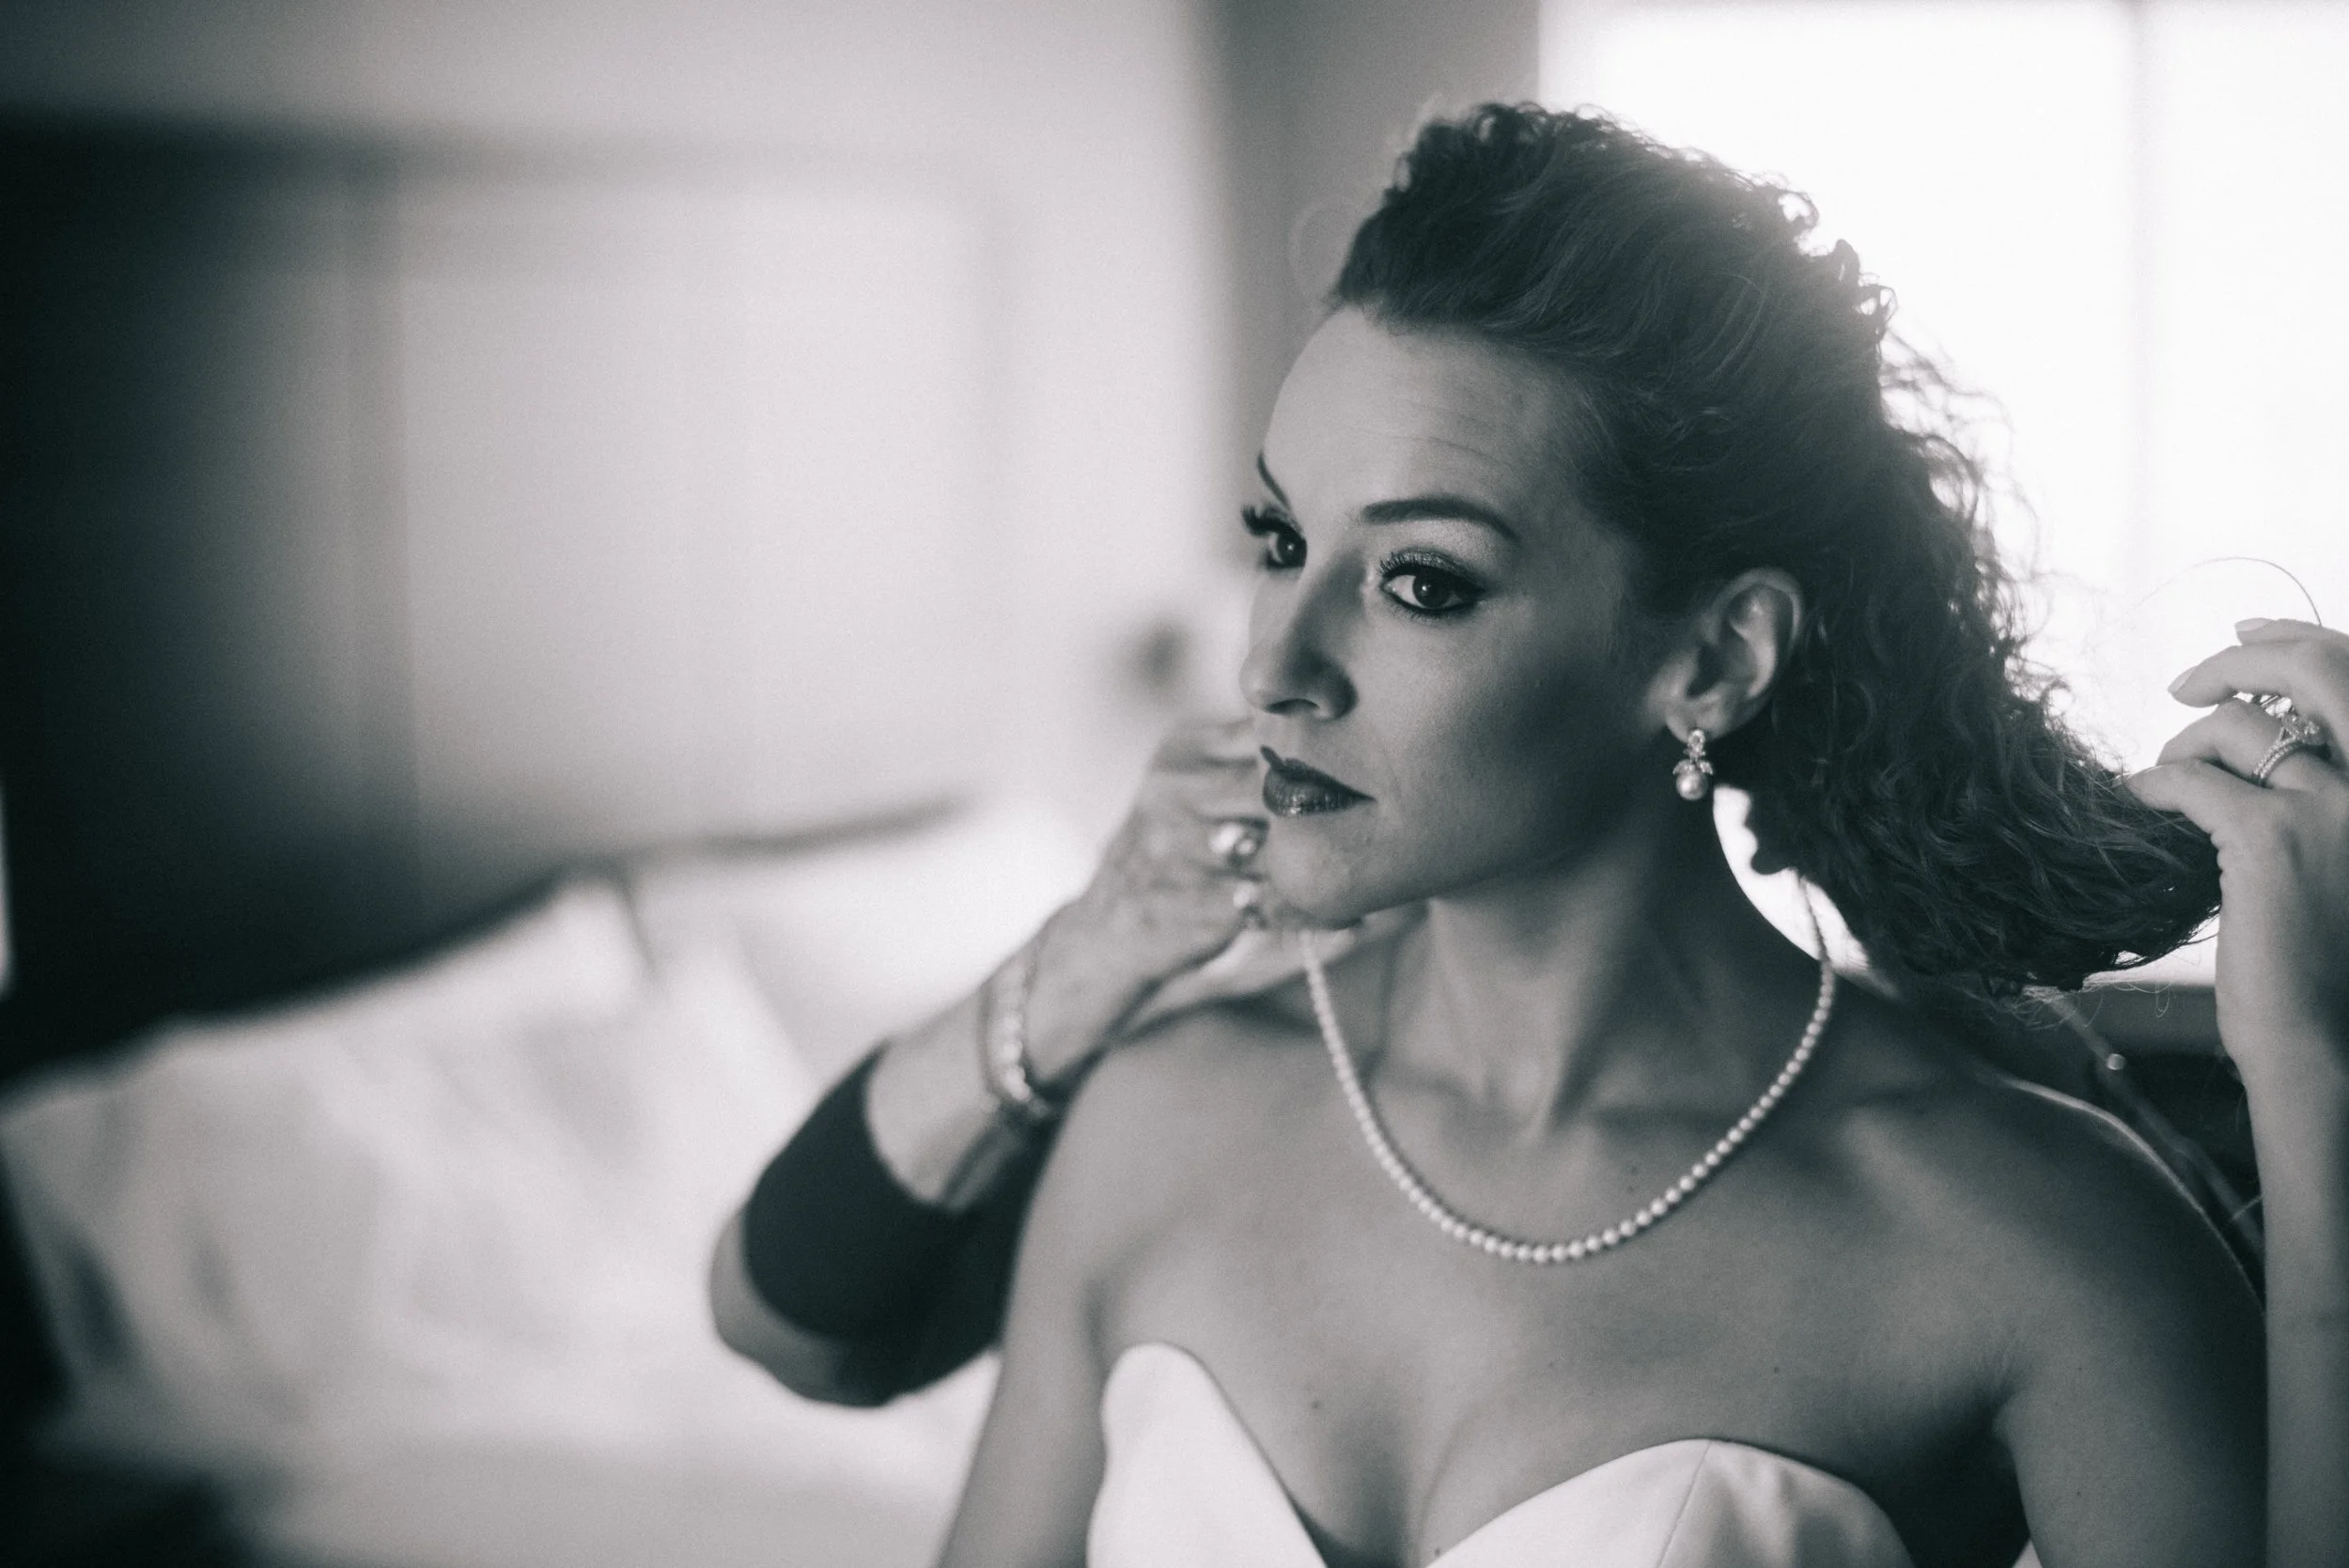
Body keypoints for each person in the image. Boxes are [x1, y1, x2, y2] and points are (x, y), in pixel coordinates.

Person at [712, 105, 2349, 1566]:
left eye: (1422, 581)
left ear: (1711, 658)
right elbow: (781, 1320)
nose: (1274, 665)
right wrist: (1097, 944)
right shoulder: (1155, 1122)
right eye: (1281, 537)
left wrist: (2325, 1084)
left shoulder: (2022, 1229)